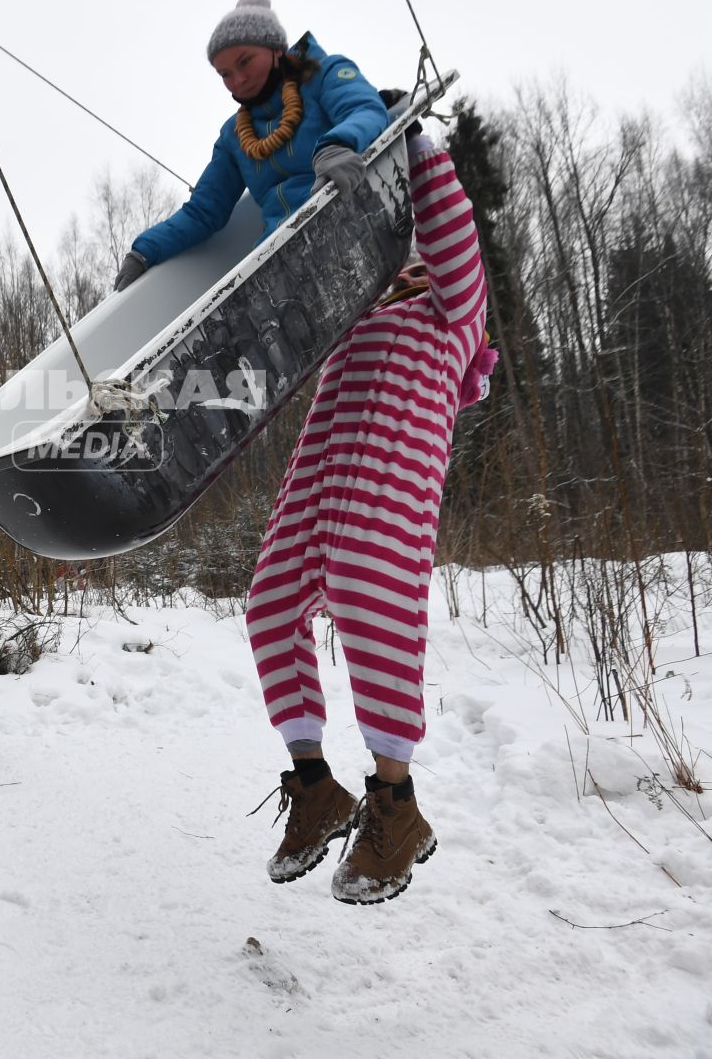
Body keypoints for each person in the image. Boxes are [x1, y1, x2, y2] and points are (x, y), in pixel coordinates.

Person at [244, 122, 496, 905]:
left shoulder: (456, 314)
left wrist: (405, 136)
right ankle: (316, 786)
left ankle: (396, 802)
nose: (407, 269)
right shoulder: (355, 312)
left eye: (415, 260)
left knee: (362, 587)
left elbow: (449, 226)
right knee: (268, 601)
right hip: (319, 474)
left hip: (395, 477)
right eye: (400, 262)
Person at [113, 0, 389, 291]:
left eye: (245, 62)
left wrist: (339, 144)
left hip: (350, 219)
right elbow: (205, 210)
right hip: (281, 257)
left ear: (275, 49)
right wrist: (144, 250)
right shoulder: (234, 136)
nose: (238, 81)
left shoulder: (324, 75)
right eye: (225, 74)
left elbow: (366, 109)